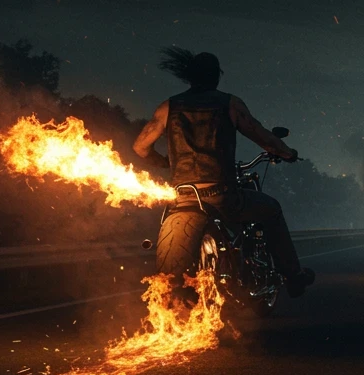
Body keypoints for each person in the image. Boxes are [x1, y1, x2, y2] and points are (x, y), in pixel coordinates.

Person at [133, 47, 315, 297]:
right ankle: (293, 277)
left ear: (190, 76)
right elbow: (262, 136)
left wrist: (165, 162)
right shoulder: (229, 104)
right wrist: (287, 153)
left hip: (182, 196)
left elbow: (140, 147)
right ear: (216, 76)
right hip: (221, 195)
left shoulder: (168, 107)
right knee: (272, 209)